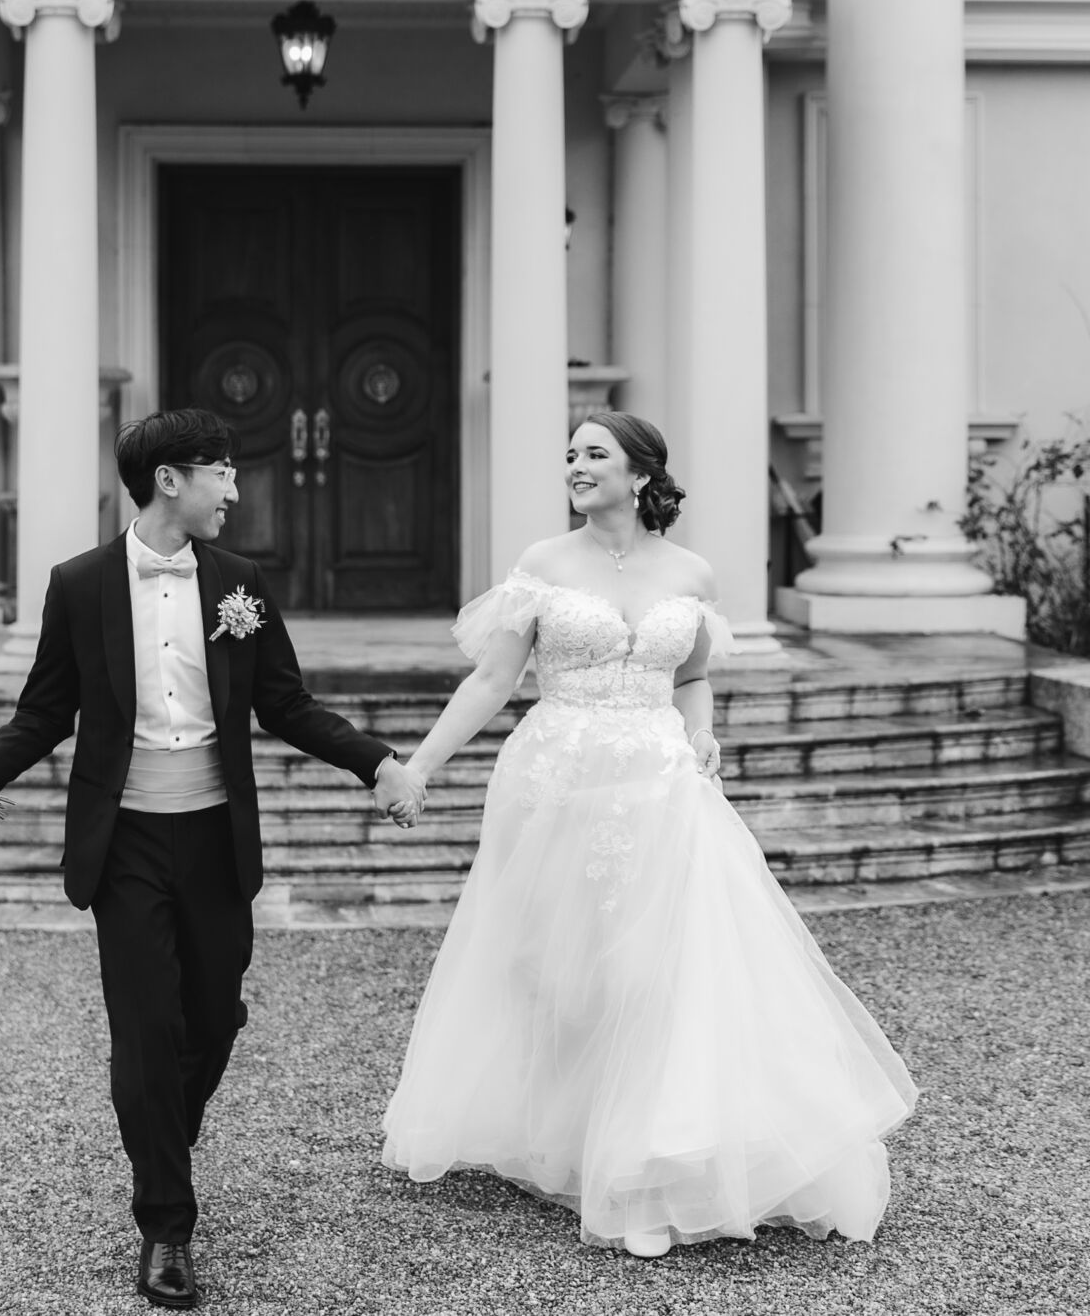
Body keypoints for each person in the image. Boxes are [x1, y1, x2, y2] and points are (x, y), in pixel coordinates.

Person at [378, 412, 918, 1257]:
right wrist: (420, 765)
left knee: (654, 967)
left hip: (661, 784)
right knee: (560, 968)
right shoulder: (542, 565)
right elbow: (491, 679)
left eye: (595, 453)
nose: (575, 465)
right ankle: (572, 1134)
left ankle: (644, 1163)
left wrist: (701, 733)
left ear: (640, 474)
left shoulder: (692, 570)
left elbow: (693, 674)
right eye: (570, 454)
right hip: (556, 781)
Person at [0, 409, 424, 1311]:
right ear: (171, 478)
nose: (235, 489)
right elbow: (47, 712)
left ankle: (159, 1130)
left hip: (213, 836)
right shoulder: (77, 584)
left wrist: (378, 761)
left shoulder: (240, 581)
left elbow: (285, 703)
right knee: (146, 1028)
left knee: (216, 1014)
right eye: (223, 472)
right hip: (122, 842)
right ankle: (166, 1222)